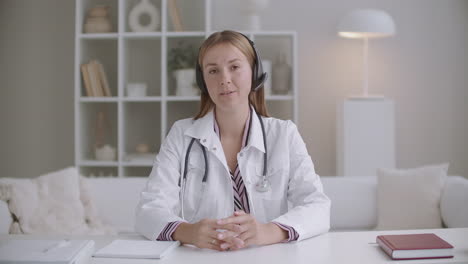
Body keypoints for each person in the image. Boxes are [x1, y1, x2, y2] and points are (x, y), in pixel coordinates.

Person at [135, 30, 330, 251]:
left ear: (254, 72)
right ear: (202, 81)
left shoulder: (284, 134)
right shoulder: (181, 135)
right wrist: (188, 231)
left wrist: (269, 231)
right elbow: (148, 210)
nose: (224, 79)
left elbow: (318, 206)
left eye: (234, 67)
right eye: (213, 71)